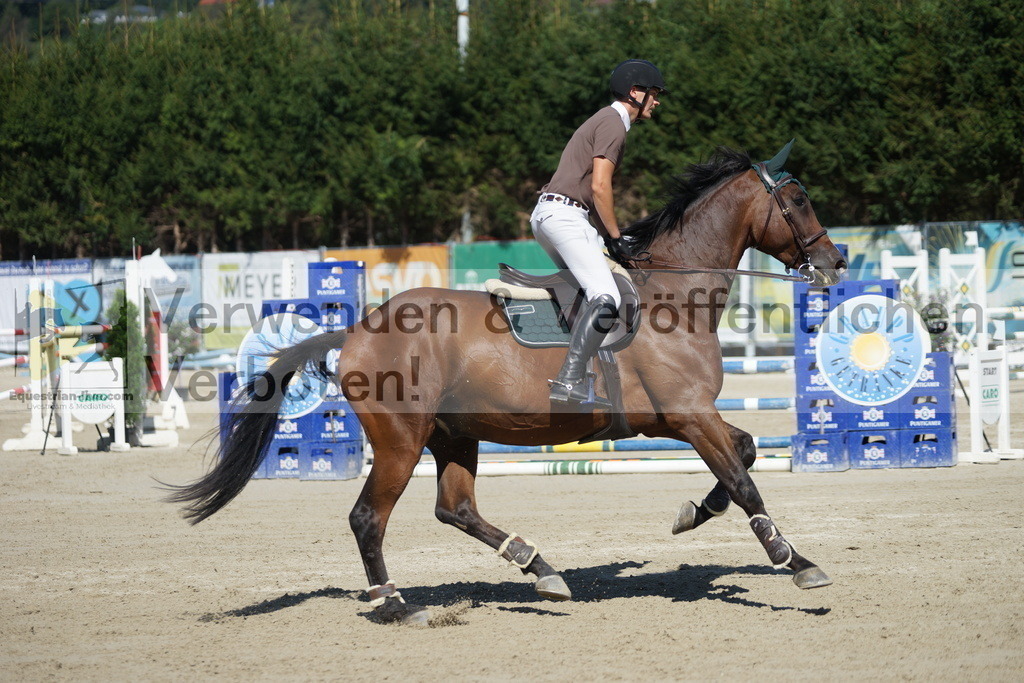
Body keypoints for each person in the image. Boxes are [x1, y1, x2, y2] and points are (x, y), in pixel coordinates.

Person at [531, 59, 666, 409]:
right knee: (607, 296)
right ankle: (569, 379)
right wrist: (616, 235)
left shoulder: (605, 120)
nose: (657, 101)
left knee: (589, 291)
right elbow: (600, 186)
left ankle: (585, 374)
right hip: (565, 216)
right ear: (635, 93)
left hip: (558, 214)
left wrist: (605, 238)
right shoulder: (613, 123)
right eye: (653, 94)